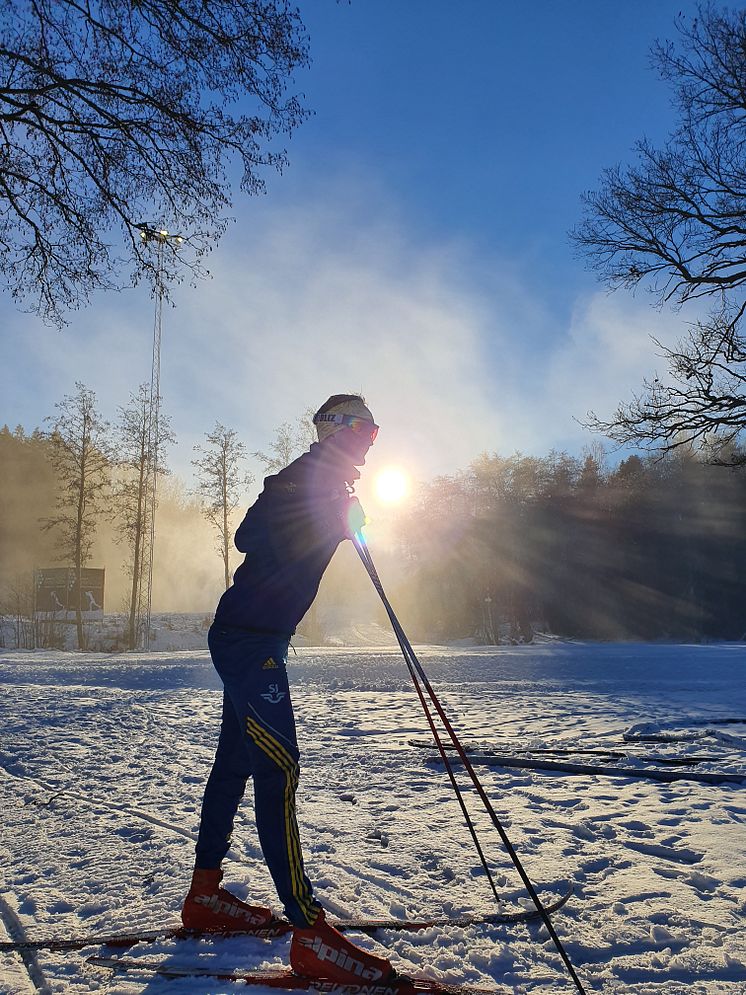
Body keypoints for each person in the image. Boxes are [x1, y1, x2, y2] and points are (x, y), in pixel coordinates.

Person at [181, 394, 396, 984]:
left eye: (375, 434)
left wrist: (343, 520)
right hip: (249, 640)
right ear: (338, 429)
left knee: (234, 765)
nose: (370, 441)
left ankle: (204, 895)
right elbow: (250, 535)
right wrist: (322, 509)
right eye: (366, 430)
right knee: (279, 768)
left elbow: (277, 540)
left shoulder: (326, 485)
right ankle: (309, 932)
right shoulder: (305, 478)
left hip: (258, 637)